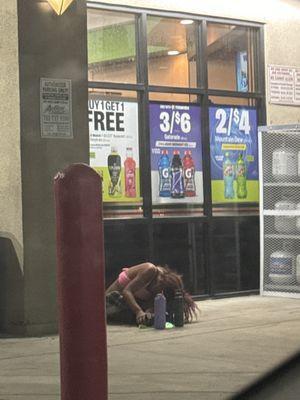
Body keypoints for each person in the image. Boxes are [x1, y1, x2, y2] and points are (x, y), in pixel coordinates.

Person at [105, 262, 199, 325]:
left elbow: (149, 305)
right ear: (160, 282)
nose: (156, 293)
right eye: (158, 291)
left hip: (130, 304)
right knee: (132, 316)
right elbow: (127, 291)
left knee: (154, 317)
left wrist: (149, 312)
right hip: (112, 300)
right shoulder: (149, 270)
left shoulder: (160, 291)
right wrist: (139, 312)